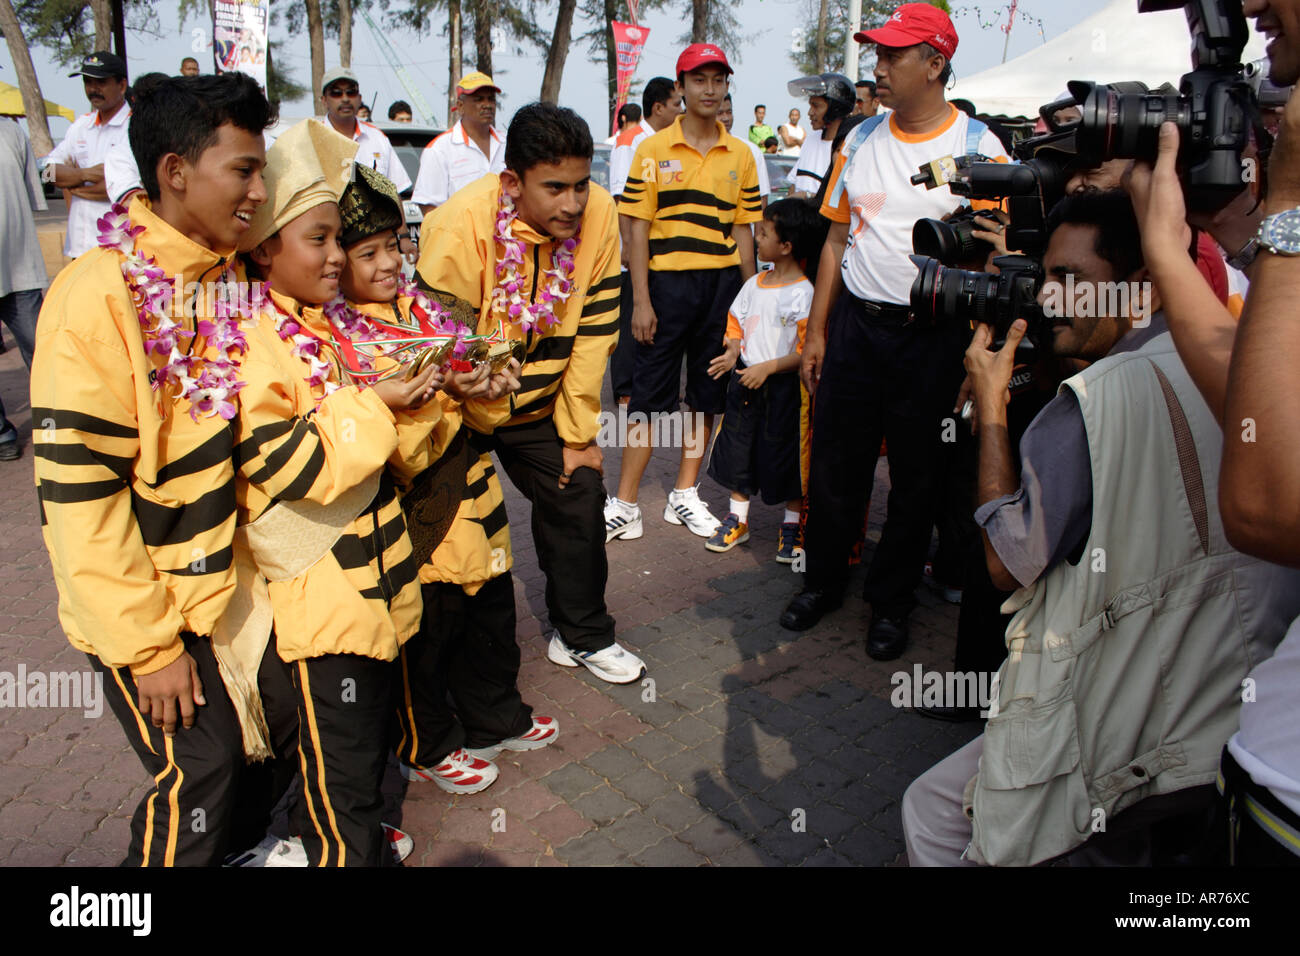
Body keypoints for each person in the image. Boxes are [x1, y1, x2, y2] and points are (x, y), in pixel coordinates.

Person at [901, 189, 1300, 866]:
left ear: (1138, 289)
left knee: (934, 814)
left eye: (1071, 281)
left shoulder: (1093, 402)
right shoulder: (1236, 360)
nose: (1049, 299)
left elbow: (1003, 563)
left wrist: (994, 411)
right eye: (1045, 278)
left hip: (1127, 711)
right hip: (1227, 685)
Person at [31, 71, 287, 866]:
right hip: (149, 603)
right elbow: (82, 502)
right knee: (201, 770)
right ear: (175, 172)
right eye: (242, 169)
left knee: (286, 725)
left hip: (234, 584)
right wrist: (149, 648)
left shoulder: (236, 276)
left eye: (262, 169)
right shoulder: (97, 297)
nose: (258, 189)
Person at [235, 119, 443, 866]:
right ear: (264, 249)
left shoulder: (325, 326)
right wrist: (381, 404)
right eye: (317, 240)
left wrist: (422, 402)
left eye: (335, 240)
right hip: (326, 607)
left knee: (357, 766)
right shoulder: (255, 339)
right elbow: (289, 465)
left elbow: (390, 462)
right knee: (339, 784)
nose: (335, 259)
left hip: (374, 588)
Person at [782, 3, 1009, 664]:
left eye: (892, 56)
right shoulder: (857, 138)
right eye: (877, 54)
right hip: (856, 326)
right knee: (835, 464)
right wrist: (818, 333)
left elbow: (997, 257)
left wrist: (978, 352)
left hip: (932, 336)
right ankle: (822, 580)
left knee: (917, 476)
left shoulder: (980, 149)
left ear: (935, 64)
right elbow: (835, 238)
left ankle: (892, 602)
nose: (877, 68)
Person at [329, 164, 549, 794]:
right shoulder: (343, 339)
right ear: (335, 263)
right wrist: (439, 396)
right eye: (366, 252)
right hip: (418, 512)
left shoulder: (429, 309)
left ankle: (494, 715)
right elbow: (392, 450)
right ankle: (428, 743)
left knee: (490, 611)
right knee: (430, 629)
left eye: (395, 246)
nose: (389, 263)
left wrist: (488, 387)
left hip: (476, 492)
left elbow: (483, 410)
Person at [416, 102, 647, 685]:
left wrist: (577, 437)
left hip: (540, 404)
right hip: (463, 409)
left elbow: (594, 336)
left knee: (579, 488)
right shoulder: (456, 226)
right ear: (512, 182)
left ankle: (584, 635)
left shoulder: (599, 214)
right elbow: (441, 348)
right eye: (555, 188)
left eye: (580, 184)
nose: (573, 202)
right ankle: (432, 672)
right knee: (444, 526)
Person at [607, 43, 762, 541]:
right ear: (680, 87)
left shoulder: (742, 154)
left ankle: (685, 495)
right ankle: (625, 504)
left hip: (721, 289)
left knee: (706, 396)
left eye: (718, 80)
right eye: (699, 80)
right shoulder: (651, 149)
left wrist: (749, 301)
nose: (710, 89)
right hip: (665, 286)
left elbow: (744, 234)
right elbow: (636, 229)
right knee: (648, 399)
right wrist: (643, 301)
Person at [703, 198, 819, 559]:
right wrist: (733, 352)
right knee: (739, 449)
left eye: (765, 233)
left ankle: (791, 524)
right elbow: (736, 321)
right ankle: (737, 519)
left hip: (785, 390)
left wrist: (767, 368)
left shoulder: (804, 293)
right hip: (746, 383)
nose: (757, 237)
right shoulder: (754, 283)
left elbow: (804, 352)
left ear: (786, 246)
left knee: (788, 456)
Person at [607, 77, 685, 407]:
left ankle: (651, 386)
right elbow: (622, 196)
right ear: (658, 108)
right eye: (676, 104)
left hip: (661, 246)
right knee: (631, 314)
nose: (681, 109)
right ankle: (625, 387)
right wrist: (627, 245)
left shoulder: (669, 141)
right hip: (635, 244)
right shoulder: (632, 140)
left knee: (655, 314)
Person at [40, 51, 132, 259]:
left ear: (122, 85)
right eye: (88, 82)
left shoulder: (133, 127)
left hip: (119, 251)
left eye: (101, 82)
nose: (93, 89)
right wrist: (86, 175)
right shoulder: (81, 126)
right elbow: (47, 173)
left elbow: (120, 190)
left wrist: (71, 183)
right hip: (79, 248)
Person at [0, 114, 48, 461]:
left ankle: (53, 423)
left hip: (20, 269)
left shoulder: (13, 132)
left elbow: (35, 194)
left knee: (41, 350)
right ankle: (2, 432)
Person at [413, 71, 506, 215]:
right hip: (460, 236)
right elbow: (430, 209)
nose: (487, 105)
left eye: (491, 99)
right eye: (479, 99)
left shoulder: (509, 143)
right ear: (460, 106)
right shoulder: (439, 150)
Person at [316, 67, 412, 194]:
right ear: (324, 100)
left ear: (359, 98)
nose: (345, 99)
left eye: (351, 92)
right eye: (336, 93)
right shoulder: (314, 140)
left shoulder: (377, 138)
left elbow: (395, 192)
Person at [786, 72, 855, 199]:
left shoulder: (847, 148)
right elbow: (795, 184)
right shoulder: (811, 139)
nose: (810, 112)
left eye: (816, 106)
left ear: (835, 109)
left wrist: (807, 196)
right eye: (810, 105)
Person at [719, 93, 771, 209]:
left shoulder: (751, 150)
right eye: (719, 113)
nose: (726, 118)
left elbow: (762, 196)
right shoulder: (698, 150)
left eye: (729, 112)